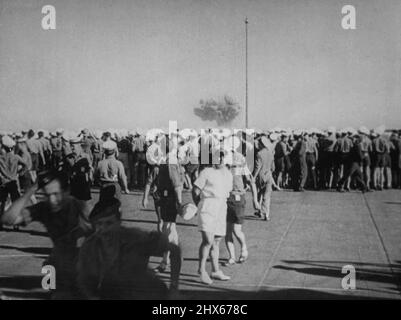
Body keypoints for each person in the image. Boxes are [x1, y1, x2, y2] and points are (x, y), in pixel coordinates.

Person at [77, 184, 181, 299]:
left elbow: (174, 249)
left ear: (119, 222)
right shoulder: (90, 247)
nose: (104, 230)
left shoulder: (135, 238)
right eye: (99, 224)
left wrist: (174, 287)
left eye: (109, 223)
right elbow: (84, 282)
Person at [1, 170, 91, 298]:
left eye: (55, 194)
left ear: (65, 192)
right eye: (47, 195)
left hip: (85, 262)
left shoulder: (77, 206)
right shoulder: (43, 208)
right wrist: (30, 191)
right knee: (50, 275)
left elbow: (94, 236)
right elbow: (7, 219)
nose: (52, 200)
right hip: (61, 263)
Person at [143, 138, 184, 273]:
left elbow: (177, 184)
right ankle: (170, 258)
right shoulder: (166, 161)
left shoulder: (170, 163)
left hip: (170, 199)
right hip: (167, 199)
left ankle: (167, 261)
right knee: (170, 229)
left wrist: (179, 202)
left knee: (168, 229)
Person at [192, 150, 232, 285]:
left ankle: (215, 271)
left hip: (221, 208)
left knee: (216, 241)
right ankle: (201, 271)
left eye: (222, 156)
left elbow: (227, 192)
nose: (220, 159)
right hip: (208, 206)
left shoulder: (228, 173)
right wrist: (199, 205)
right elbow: (195, 190)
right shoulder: (206, 172)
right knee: (208, 240)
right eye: (217, 156)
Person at [223, 136, 259, 266]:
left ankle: (244, 249)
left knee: (236, 230)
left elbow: (251, 181)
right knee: (227, 231)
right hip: (226, 198)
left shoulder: (239, 160)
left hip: (237, 198)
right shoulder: (222, 162)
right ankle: (231, 257)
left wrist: (255, 200)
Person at [0, 135, 28, 230]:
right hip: (13, 182)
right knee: (15, 202)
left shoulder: (0, 158)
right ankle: (16, 224)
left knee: (2, 202)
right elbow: (26, 165)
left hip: (3, 182)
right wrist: (20, 173)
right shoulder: (15, 157)